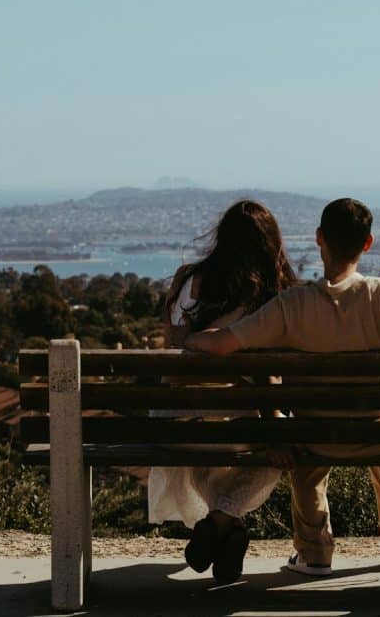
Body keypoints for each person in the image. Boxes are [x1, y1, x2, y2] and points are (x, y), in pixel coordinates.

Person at [185, 197, 380, 576]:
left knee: (304, 444)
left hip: (314, 437)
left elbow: (222, 344)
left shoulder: (291, 305)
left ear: (319, 239)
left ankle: (314, 552)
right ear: (368, 243)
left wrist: (188, 340)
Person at [149, 199, 297, 584]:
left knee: (207, 440)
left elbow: (176, 342)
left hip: (171, 420)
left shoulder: (186, 278)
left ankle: (223, 528)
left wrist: (199, 336)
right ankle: (222, 523)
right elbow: (266, 377)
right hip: (234, 420)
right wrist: (274, 427)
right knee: (278, 446)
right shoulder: (267, 295)